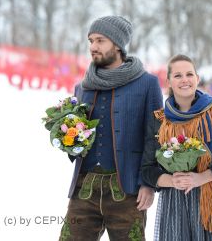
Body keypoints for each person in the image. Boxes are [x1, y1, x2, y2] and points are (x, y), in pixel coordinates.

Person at [59, 16, 163, 240]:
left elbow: (155, 136)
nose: (93, 47)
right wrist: (66, 138)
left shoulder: (147, 84)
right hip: (84, 188)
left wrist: (148, 183)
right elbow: (78, 135)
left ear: (117, 44)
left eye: (100, 41)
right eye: (90, 41)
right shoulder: (82, 87)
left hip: (127, 191)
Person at [141, 54, 212, 241]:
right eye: (177, 76)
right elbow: (147, 169)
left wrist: (201, 178)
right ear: (169, 81)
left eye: (189, 74)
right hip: (175, 205)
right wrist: (172, 181)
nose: (184, 80)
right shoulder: (159, 120)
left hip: (211, 201)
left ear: (197, 78)